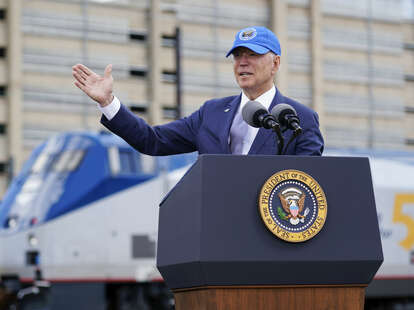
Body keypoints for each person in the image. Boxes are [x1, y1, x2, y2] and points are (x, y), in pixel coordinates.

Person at [72, 26, 324, 156]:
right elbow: (152, 141)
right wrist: (108, 102)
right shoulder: (211, 113)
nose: (242, 62)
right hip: (215, 237)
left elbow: (311, 185)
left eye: (253, 55)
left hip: (272, 242)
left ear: (275, 63)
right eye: (237, 56)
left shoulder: (299, 119)